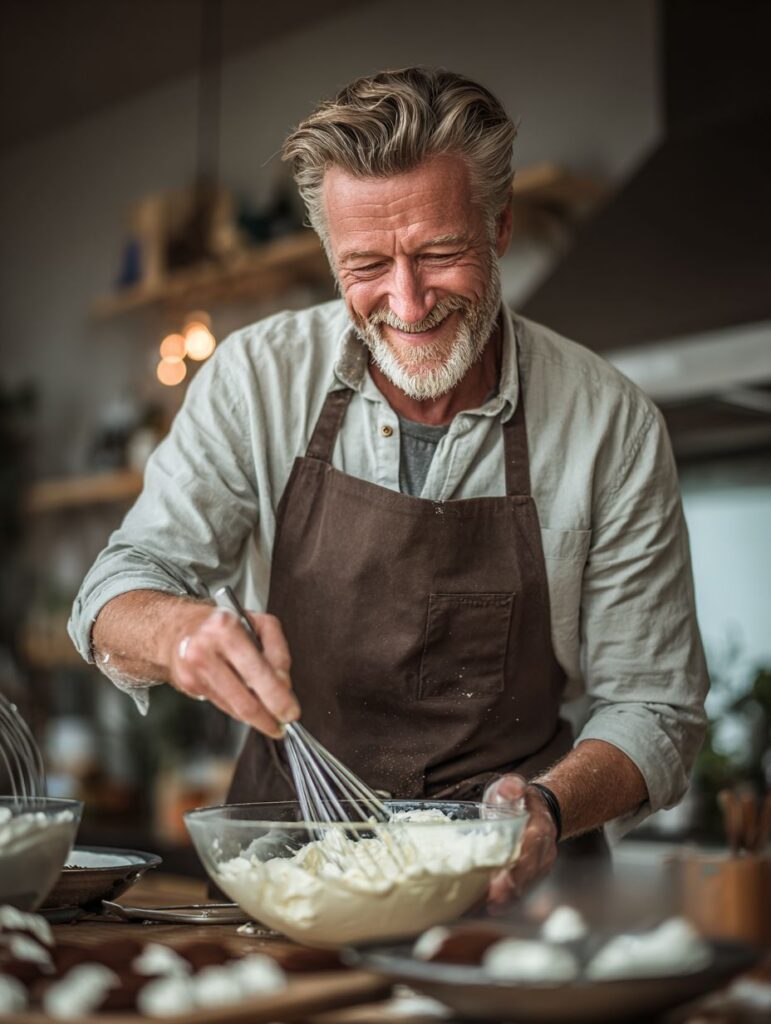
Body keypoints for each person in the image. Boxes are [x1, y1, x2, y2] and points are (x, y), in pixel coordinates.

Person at [69, 67, 708, 901]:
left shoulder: (608, 424)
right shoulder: (255, 380)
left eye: (439, 253)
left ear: (501, 226)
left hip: (510, 886)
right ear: (329, 251)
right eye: (366, 263)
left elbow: (656, 708)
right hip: (289, 875)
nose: (405, 302)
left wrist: (544, 807)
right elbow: (115, 591)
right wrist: (177, 633)